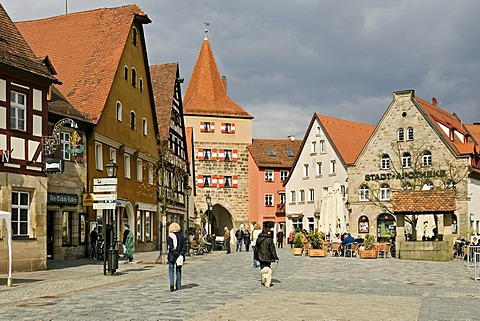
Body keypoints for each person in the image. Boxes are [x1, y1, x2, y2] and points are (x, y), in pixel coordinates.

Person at [167, 222, 187, 291]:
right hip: (180, 256)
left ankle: (172, 283)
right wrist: (181, 254)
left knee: (171, 270)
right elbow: (184, 247)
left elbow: (171, 247)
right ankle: (178, 285)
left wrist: (176, 253)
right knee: (178, 270)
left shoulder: (170, 236)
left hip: (172, 256)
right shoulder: (182, 236)